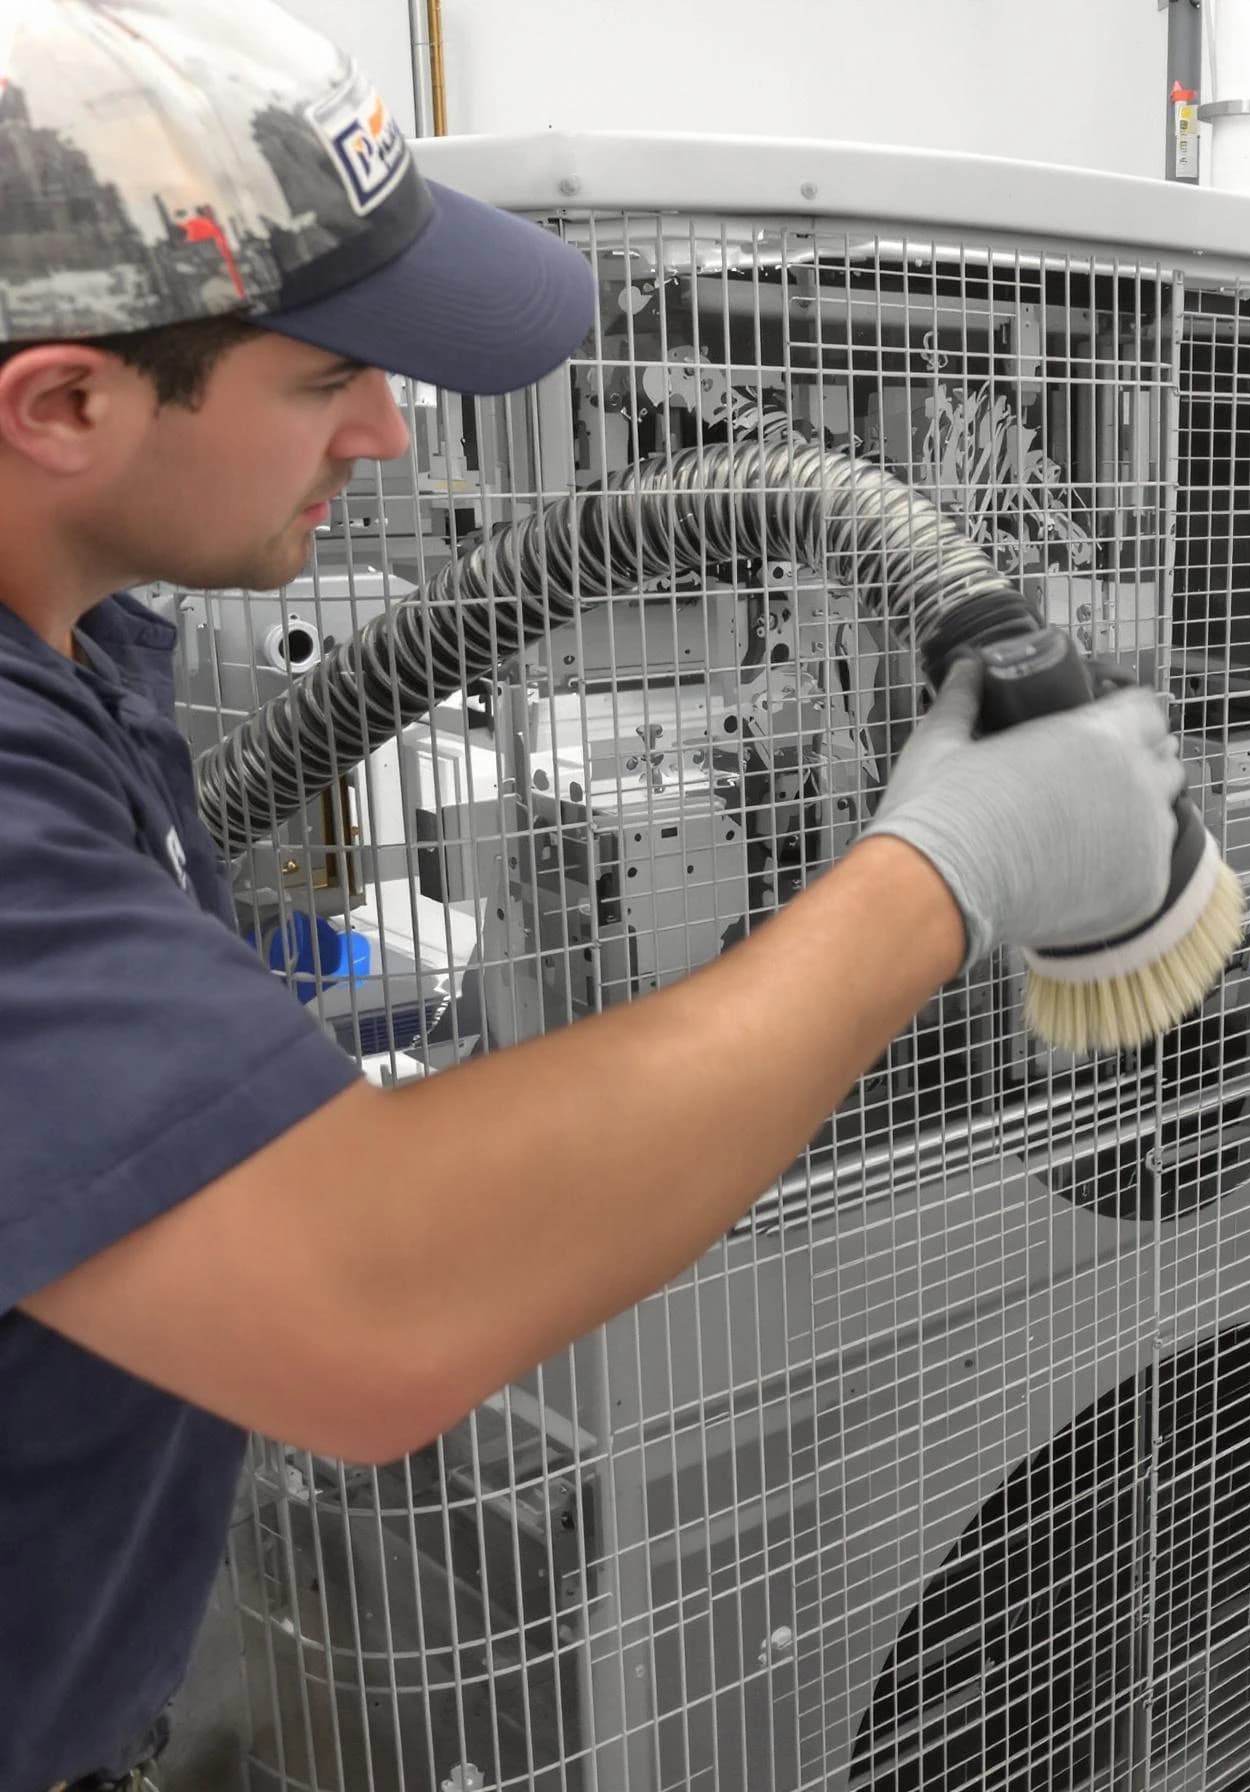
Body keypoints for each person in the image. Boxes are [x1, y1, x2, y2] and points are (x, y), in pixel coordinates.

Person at [0, 5, 1184, 1787]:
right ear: (65, 401)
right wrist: (957, 866)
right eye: (329, 379)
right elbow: (368, 1305)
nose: (388, 437)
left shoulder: (85, 656)